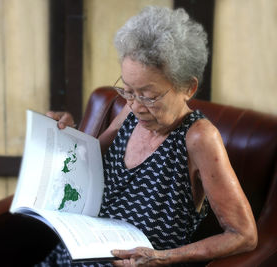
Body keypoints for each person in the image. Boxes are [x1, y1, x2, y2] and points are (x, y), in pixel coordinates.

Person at [40, 6, 257, 267]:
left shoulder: (199, 138)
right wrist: (63, 133)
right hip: (69, 257)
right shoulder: (131, 112)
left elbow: (244, 235)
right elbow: (86, 162)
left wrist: (162, 257)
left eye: (149, 96)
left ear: (188, 87)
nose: (136, 105)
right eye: (128, 91)